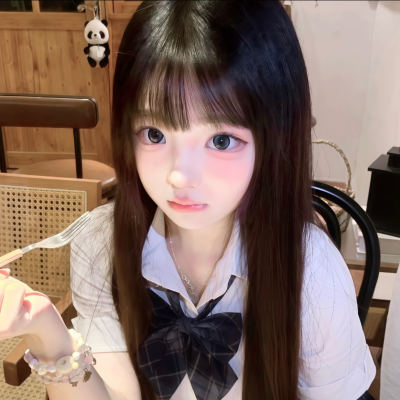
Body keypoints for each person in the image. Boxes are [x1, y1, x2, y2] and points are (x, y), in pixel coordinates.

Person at [0, 1, 376, 399]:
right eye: (155, 134)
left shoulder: (313, 274)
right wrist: (45, 330)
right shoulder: (101, 245)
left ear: (275, 137)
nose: (179, 177)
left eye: (221, 140)